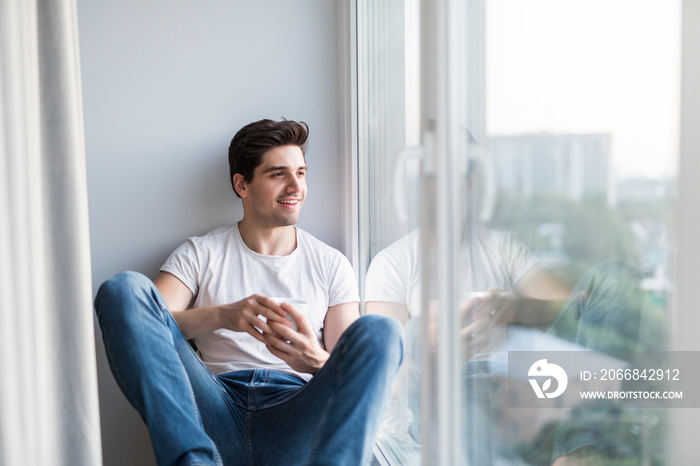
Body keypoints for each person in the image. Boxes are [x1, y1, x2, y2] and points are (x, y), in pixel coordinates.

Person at [94, 118, 404, 466]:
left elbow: (370, 377)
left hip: (296, 416)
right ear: (242, 184)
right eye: (278, 174)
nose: (295, 186)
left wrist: (312, 361)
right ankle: (192, 462)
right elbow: (146, 324)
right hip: (214, 410)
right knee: (123, 290)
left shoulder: (331, 264)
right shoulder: (201, 253)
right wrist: (225, 315)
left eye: (301, 173)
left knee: (383, 330)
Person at [365, 225, 653, 465]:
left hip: (520, 384)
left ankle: (576, 450)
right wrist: (434, 352)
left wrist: (517, 309)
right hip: (453, 393)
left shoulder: (499, 246)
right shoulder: (392, 264)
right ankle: (579, 449)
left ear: (470, 182)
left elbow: (570, 311)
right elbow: (385, 381)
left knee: (614, 278)